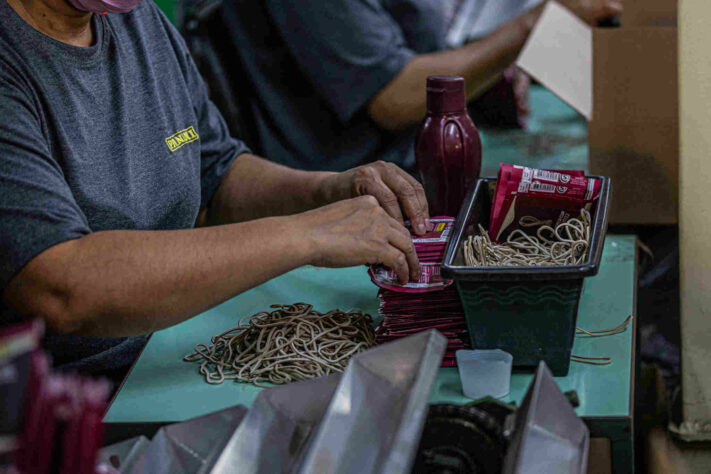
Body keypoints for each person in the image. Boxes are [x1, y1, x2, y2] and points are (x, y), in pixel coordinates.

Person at [0, 0, 430, 379]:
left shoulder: (139, 23)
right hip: (67, 400)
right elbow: (61, 286)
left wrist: (331, 190)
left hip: (167, 346)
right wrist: (307, 234)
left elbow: (216, 174)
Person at [215, 0, 622, 172]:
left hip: (414, 160)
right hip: (342, 185)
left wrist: (497, 67)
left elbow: (432, 37)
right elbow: (396, 98)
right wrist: (533, 24)